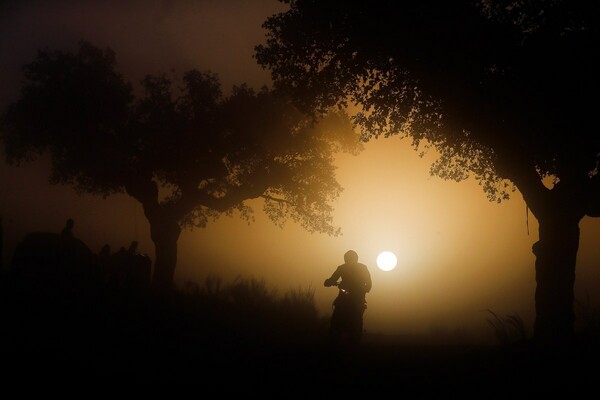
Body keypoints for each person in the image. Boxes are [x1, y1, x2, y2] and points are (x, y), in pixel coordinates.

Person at [324, 249, 372, 345]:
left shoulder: (343, 268)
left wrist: (363, 290)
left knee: (351, 318)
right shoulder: (348, 268)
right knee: (339, 318)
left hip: (356, 298)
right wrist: (329, 282)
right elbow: (369, 284)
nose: (349, 260)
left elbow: (369, 284)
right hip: (350, 297)